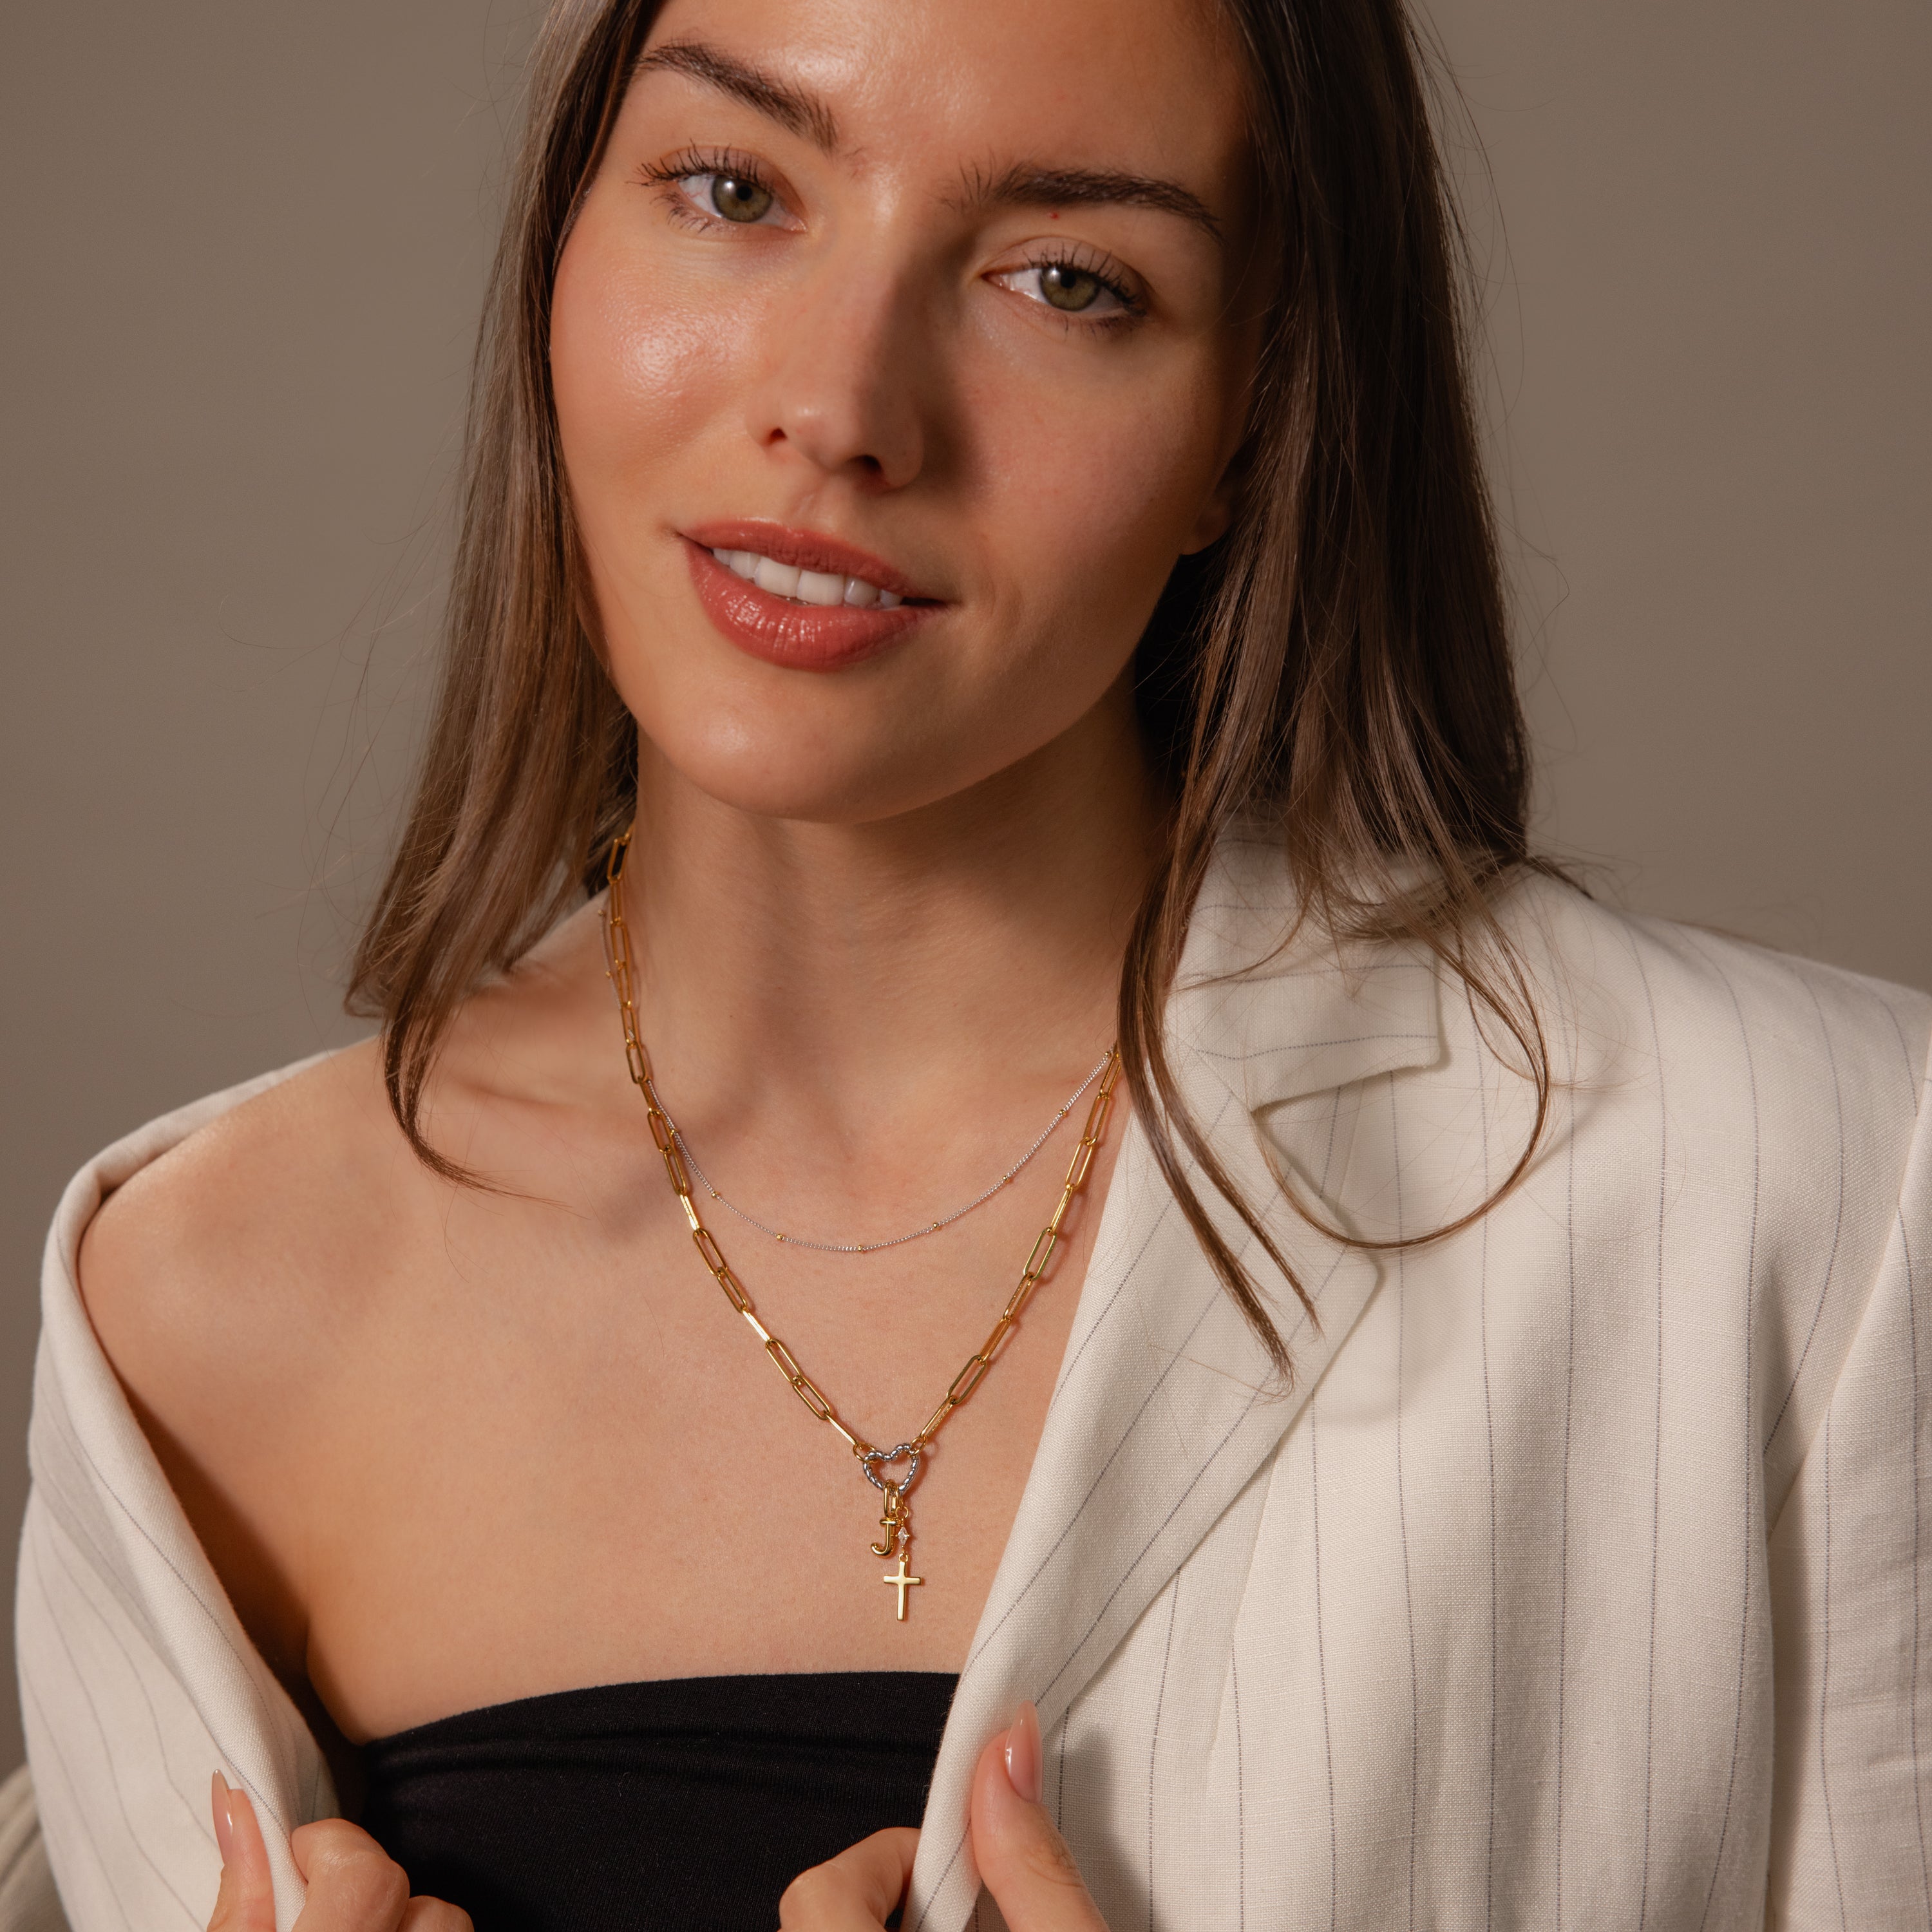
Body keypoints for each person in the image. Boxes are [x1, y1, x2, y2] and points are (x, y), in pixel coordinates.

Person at [14, 0, 1929, 1926]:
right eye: (733, 186)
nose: (844, 406)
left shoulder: (1826, 1201)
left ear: (1253, 423)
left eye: (1071, 280)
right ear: (560, 251)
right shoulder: (198, 1320)